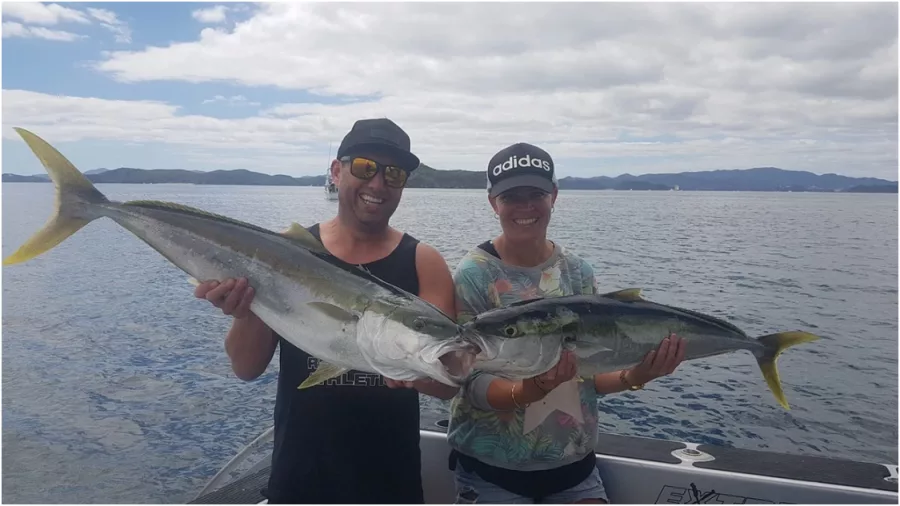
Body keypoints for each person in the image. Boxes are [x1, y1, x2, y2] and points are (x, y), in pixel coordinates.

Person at [193, 118, 459, 504]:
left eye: (394, 173)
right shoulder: (285, 251)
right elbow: (246, 369)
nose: (378, 184)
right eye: (366, 167)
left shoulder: (423, 261)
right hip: (300, 479)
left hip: (391, 483)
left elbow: (448, 383)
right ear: (337, 171)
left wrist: (413, 370)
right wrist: (245, 311)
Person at [446, 142, 687, 504]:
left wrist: (637, 376)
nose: (525, 206)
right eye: (512, 196)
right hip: (492, 472)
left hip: (575, 469)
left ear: (554, 195)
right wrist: (533, 388)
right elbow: (470, 381)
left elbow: (588, 375)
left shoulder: (577, 271)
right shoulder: (474, 274)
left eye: (536, 194)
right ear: (493, 201)